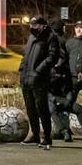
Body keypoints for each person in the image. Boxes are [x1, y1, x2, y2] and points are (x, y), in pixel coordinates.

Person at [18, 16, 59, 149]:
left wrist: (38, 71)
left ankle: (47, 137)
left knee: (41, 108)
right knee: (30, 108)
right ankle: (35, 135)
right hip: (26, 78)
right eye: (31, 24)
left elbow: (52, 57)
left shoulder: (50, 37)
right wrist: (22, 70)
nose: (32, 27)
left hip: (39, 79)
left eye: (35, 25)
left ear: (43, 25)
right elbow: (26, 55)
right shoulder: (31, 37)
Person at [54, 22, 82, 142]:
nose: (79, 30)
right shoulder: (69, 43)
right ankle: (66, 130)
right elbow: (65, 59)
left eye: (81, 28)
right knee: (70, 103)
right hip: (72, 78)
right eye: (77, 28)